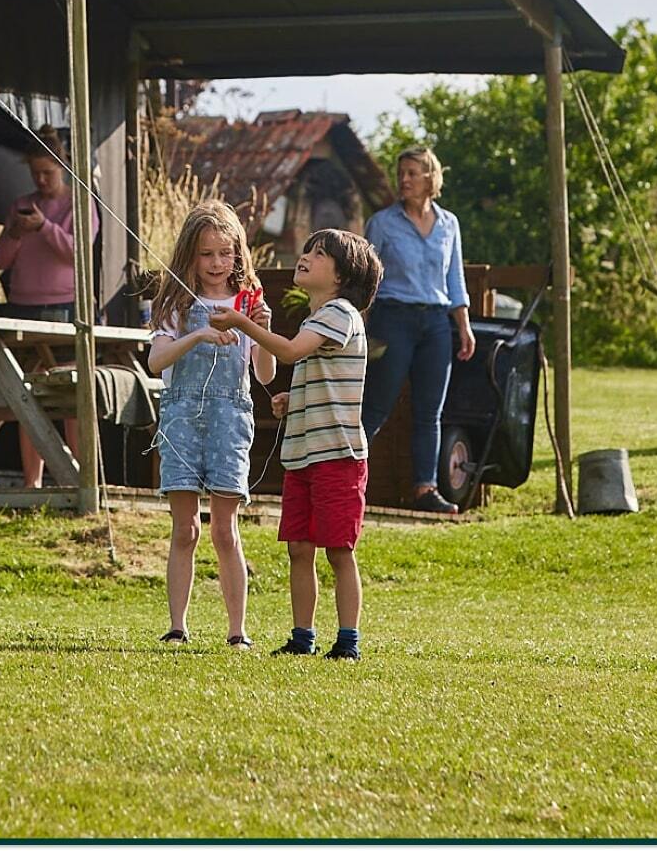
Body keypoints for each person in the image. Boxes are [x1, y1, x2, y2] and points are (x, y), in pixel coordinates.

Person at [212, 228, 382, 660]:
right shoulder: (316, 320)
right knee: (299, 548)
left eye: (319, 253)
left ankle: (348, 641)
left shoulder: (341, 312)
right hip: (303, 457)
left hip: (338, 458)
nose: (305, 256)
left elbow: (288, 353)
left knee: (339, 551)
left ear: (342, 276)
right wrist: (293, 398)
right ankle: (302, 637)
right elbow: (312, 368)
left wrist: (241, 322)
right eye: (307, 250)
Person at [147, 201, 274, 650]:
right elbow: (156, 360)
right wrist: (198, 334)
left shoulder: (249, 301)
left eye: (226, 253)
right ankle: (177, 625)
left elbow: (265, 374)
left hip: (230, 417)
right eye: (207, 254)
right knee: (185, 529)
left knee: (224, 529)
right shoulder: (176, 300)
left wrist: (261, 330)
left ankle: (237, 630)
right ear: (190, 254)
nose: (217, 263)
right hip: (181, 417)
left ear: (238, 254)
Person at [0, 127, 93, 489]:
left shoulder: (79, 203)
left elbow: (78, 253)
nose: (41, 180)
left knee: (71, 399)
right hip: (22, 308)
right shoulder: (22, 203)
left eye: (48, 173)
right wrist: (16, 232)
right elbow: (0, 260)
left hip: (64, 310)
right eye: (35, 173)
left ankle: (83, 480)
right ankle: (31, 483)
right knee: (26, 398)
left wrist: (45, 227)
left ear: (63, 167)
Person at [361, 147, 475, 514]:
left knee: (430, 412)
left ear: (430, 178)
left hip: (436, 325)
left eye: (412, 173)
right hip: (393, 320)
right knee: (377, 406)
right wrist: (359, 322)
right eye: (401, 173)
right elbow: (366, 278)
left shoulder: (449, 224)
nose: (404, 180)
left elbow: (454, 279)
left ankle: (426, 490)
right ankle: (344, 483)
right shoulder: (382, 223)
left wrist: (464, 326)